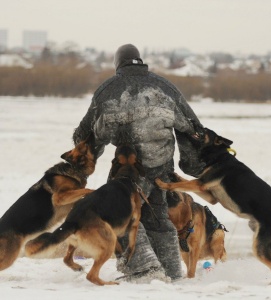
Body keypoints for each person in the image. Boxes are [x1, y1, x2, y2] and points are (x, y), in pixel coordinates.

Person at [72, 44, 204, 282]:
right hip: (163, 166)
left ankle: (145, 270)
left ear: (117, 64)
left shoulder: (108, 90)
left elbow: (86, 133)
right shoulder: (166, 87)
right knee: (158, 217)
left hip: (129, 169)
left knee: (117, 215)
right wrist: (191, 162)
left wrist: (84, 162)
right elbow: (193, 127)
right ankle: (171, 272)